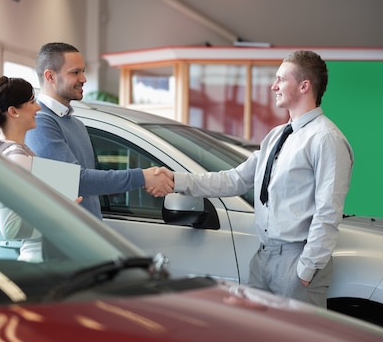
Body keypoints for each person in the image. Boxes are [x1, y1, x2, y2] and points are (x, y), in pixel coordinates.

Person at [152, 50, 354, 308]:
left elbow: (328, 211)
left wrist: (306, 270)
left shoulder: (326, 139)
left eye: (281, 79)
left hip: (296, 262)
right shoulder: (277, 136)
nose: (274, 86)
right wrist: (176, 180)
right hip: (263, 258)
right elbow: (235, 179)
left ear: (305, 86)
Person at [25, 42, 173, 219]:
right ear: (50, 76)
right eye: (75, 72)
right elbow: (73, 181)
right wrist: (141, 177)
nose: (83, 79)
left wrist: (145, 176)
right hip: (62, 238)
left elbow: (90, 176)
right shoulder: (40, 123)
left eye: (83, 71)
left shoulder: (75, 124)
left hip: (86, 232)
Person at [0, 76, 82, 261]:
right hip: (41, 261)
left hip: (43, 258)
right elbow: (11, 229)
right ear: (13, 111)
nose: (38, 107)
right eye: (31, 102)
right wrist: (61, 214)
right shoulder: (16, 157)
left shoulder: (11, 151)